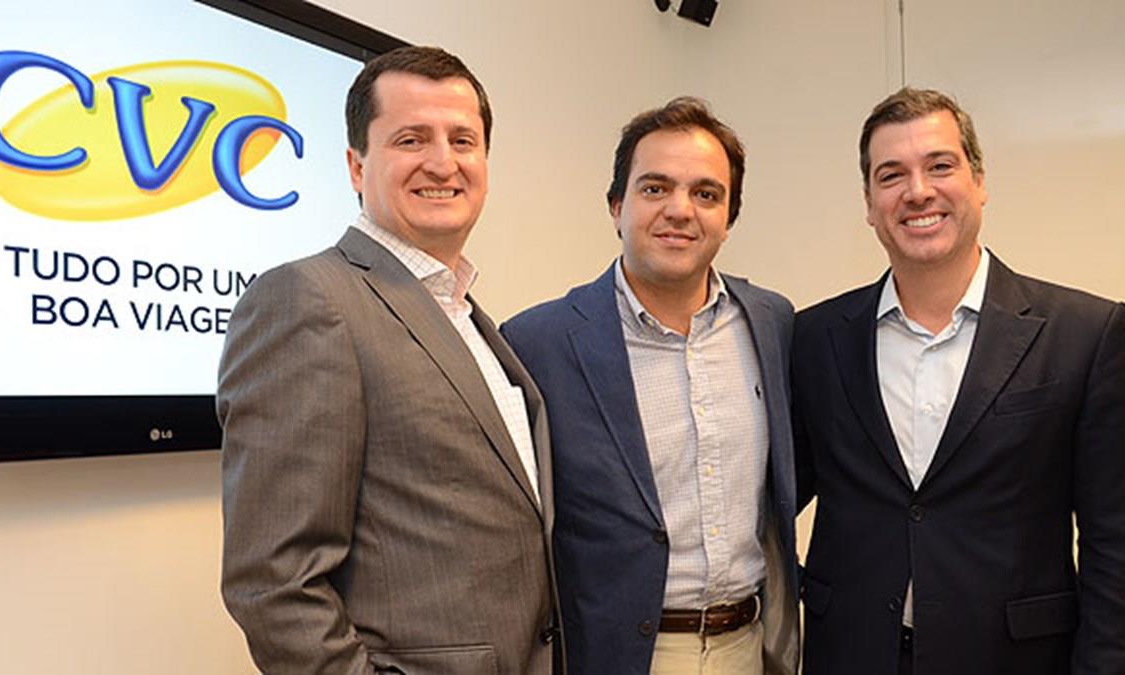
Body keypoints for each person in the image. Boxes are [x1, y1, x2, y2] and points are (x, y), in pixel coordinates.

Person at [217, 46, 560, 675]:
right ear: (356, 166)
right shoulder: (309, 299)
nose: (443, 162)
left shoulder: (467, 316)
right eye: (411, 139)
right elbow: (273, 582)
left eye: (463, 140)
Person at [793, 87, 1125, 675]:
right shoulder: (814, 338)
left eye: (940, 166)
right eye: (891, 175)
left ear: (979, 181)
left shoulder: (1086, 334)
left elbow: (1114, 540)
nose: (918, 191)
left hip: (1017, 660)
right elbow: (766, 503)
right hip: (852, 653)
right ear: (869, 203)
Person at [503, 97, 799, 675]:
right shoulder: (537, 342)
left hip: (749, 645)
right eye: (655, 188)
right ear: (617, 206)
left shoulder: (772, 322)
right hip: (615, 654)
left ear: (729, 218)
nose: (680, 210)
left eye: (706, 194)